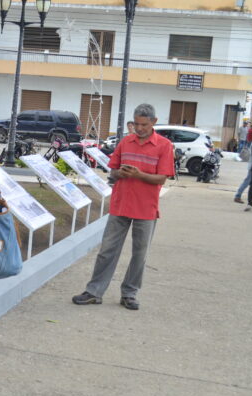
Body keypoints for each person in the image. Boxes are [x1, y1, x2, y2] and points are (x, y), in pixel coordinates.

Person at [72, 103, 175, 311]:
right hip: (120, 205)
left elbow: (162, 178)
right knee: (107, 250)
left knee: (139, 253)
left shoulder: (164, 146)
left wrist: (139, 175)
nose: (139, 128)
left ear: (154, 122)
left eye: (144, 125)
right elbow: (113, 171)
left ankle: (129, 293)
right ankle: (94, 291)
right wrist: (121, 173)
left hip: (146, 208)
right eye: (136, 124)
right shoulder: (126, 142)